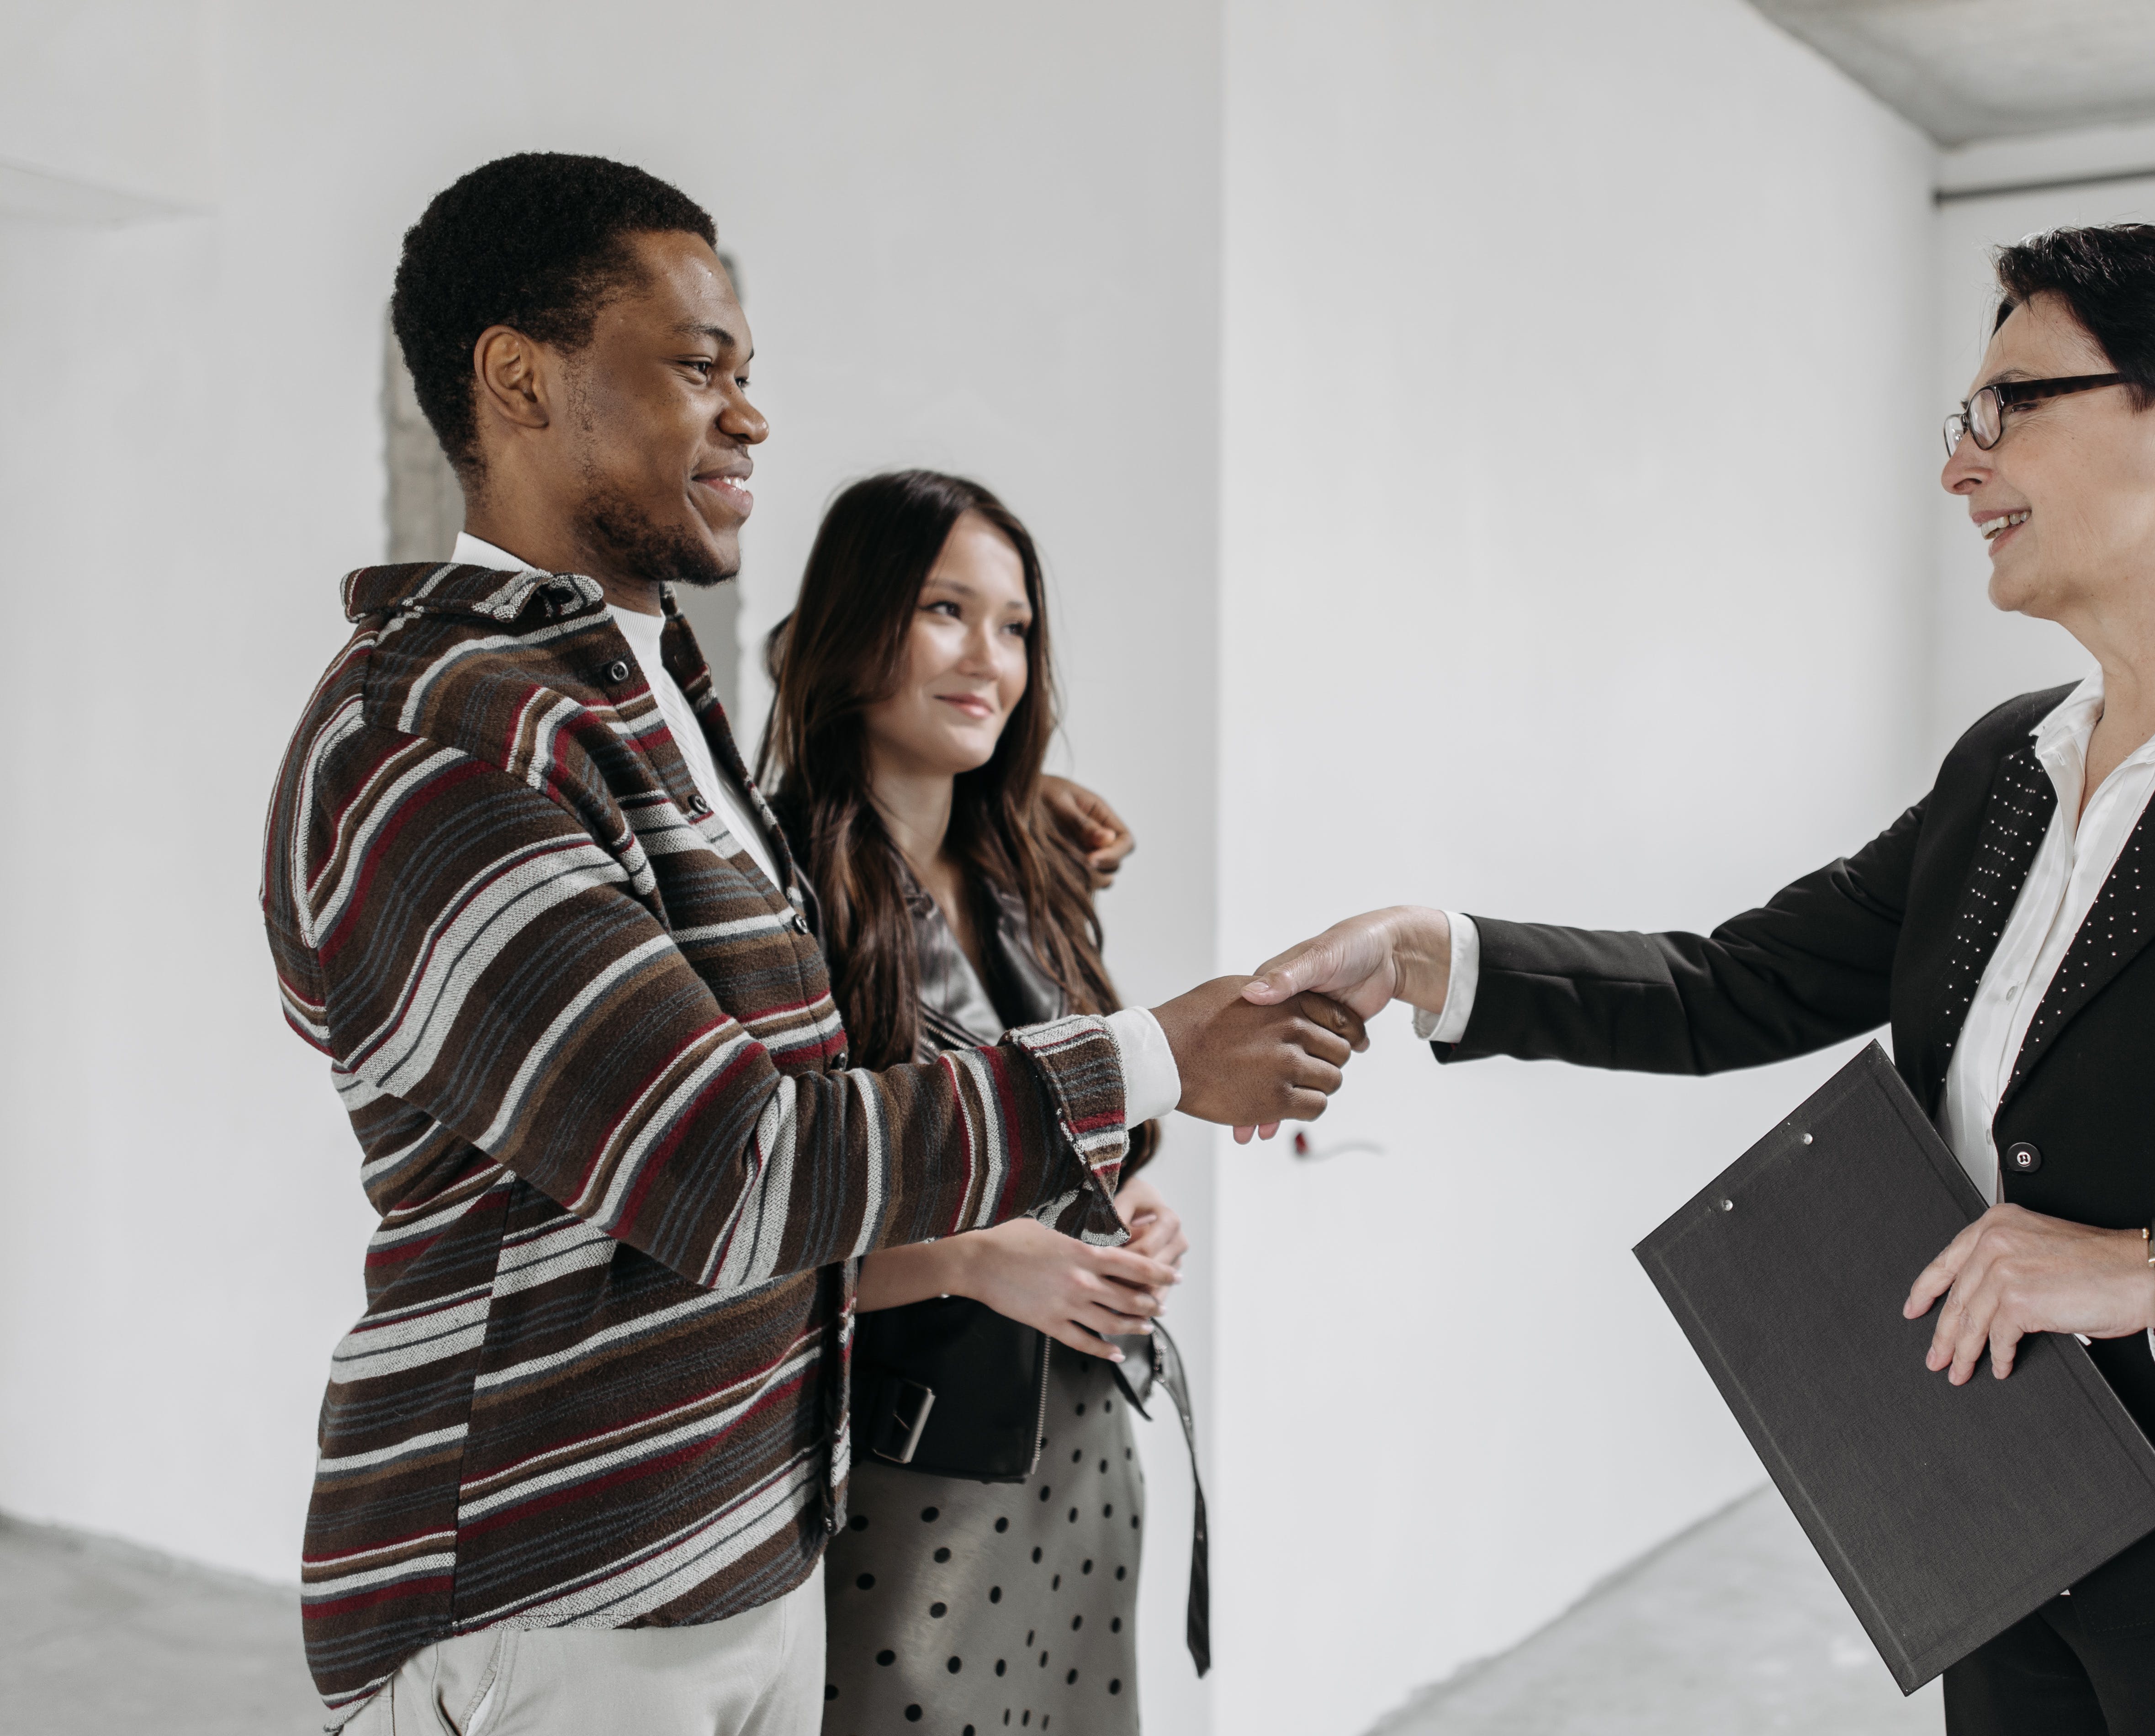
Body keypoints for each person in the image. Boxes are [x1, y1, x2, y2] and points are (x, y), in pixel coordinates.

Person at [1241, 221, 2155, 1733]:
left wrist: (2147, 1269)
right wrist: (1433, 956)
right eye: (1967, 416)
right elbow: (1729, 986)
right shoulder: (2010, 766)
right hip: (2005, 1547)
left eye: (2012, 403)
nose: (1961, 466)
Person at [261, 152, 1357, 1735]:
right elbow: (736, 1165)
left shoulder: (641, 703)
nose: (751, 415)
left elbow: (815, 1060)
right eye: (699, 370)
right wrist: (1154, 1054)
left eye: (749, 375)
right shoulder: (438, 741)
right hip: (552, 1590)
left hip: (756, 1544)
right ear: (518, 380)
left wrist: (1034, 827)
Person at [760, 469, 1187, 1734]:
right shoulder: (775, 894)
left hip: (1088, 1441)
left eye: (1014, 626)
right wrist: (975, 1262)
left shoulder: (1032, 870)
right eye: (946, 610)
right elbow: (744, 1224)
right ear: (853, 625)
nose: (987, 659)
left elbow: (1077, 1135)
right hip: (905, 1473)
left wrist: (1133, 1211)